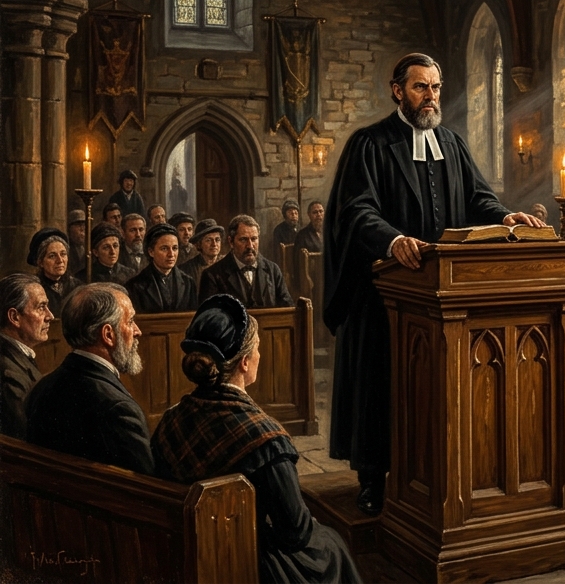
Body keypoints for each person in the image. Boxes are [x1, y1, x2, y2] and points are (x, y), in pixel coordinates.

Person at [324, 53, 537, 515]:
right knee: (381, 388)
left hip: (443, 294)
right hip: (386, 291)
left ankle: (434, 475)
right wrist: (393, 239)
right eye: (421, 87)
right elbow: (357, 210)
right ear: (397, 90)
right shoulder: (370, 144)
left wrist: (504, 215)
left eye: (436, 88)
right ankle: (372, 479)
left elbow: (478, 197)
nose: (431, 97)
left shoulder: (452, 143)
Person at [152, 296, 361, 584]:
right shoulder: (265, 439)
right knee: (332, 544)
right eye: (259, 349)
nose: (260, 357)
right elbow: (296, 532)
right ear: (246, 362)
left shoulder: (170, 421)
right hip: (251, 562)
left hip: (187, 553)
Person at [24, 283, 153, 474]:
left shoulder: (42, 387)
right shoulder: (119, 410)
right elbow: (146, 488)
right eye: (130, 321)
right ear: (108, 335)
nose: (137, 331)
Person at [199, 215, 292, 308]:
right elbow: (210, 318)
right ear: (231, 242)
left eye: (254, 239)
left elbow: (288, 308)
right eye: (243, 239)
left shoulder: (273, 270)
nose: (250, 246)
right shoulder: (213, 275)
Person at [0, 274, 52, 437]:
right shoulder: (9, 375)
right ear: (15, 317)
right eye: (41, 307)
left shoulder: (17, 356)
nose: (50, 316)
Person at [125, 223, 198, 314]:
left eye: (175, 248)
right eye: (164, 249)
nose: (171, 254)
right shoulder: (135, 286)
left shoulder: (188, 283)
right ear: (151, 251)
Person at [29, 228, 81, 312]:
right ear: (40, 262)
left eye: (63, 254)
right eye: (52, 256)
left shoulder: (77, 286)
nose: (60, 260)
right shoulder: (34, 288)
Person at [179, 218, 224, 284]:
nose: (214, 244)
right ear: (199, 244)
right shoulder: (187, 269)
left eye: (217, 240)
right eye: (208, 240)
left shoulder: (226, 264)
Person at [272, 200, 301, 264]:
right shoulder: (279, 230)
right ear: (285, 215)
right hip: (286, 262)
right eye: (290, 213)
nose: (293, 215)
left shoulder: (301, 229)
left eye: (296, 213)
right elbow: (277, 253)